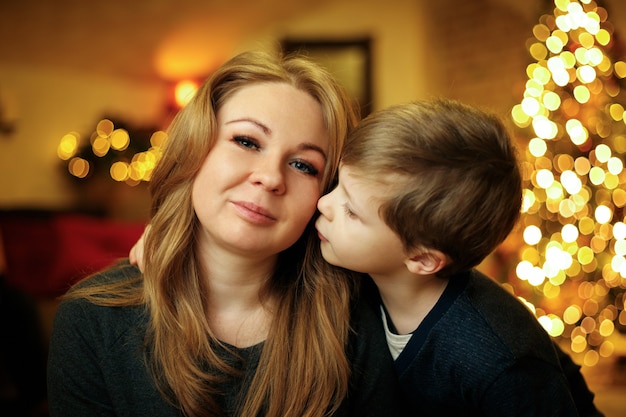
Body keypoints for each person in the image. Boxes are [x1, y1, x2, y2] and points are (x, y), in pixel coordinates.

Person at [47, 50, 403, 417]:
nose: (271, 177)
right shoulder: (91, 319)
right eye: (247, 142)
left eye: (303, 165)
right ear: (195, 149)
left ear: (325, 194)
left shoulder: (356, 320)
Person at [315, 98, 603, 416]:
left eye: (352, 212)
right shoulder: (363, 277)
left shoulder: (496, 361)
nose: (324, 203)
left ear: (422, 259)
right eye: (339, 184)